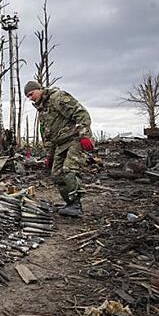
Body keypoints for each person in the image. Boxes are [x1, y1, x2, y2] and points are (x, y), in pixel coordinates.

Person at [24, 80, 93, 217]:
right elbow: (49, 138)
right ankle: (70, 203)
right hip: (61, 144)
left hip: (75, 139)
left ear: (39, 89)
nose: (31, 98)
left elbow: (81, 113)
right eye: (28, 97)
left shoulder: (57, 97)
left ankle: (76, 206)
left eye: (31, 94)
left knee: (69, 169)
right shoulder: (43, 111)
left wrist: (85, 136)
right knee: (56, 174)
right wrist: (49, 158)